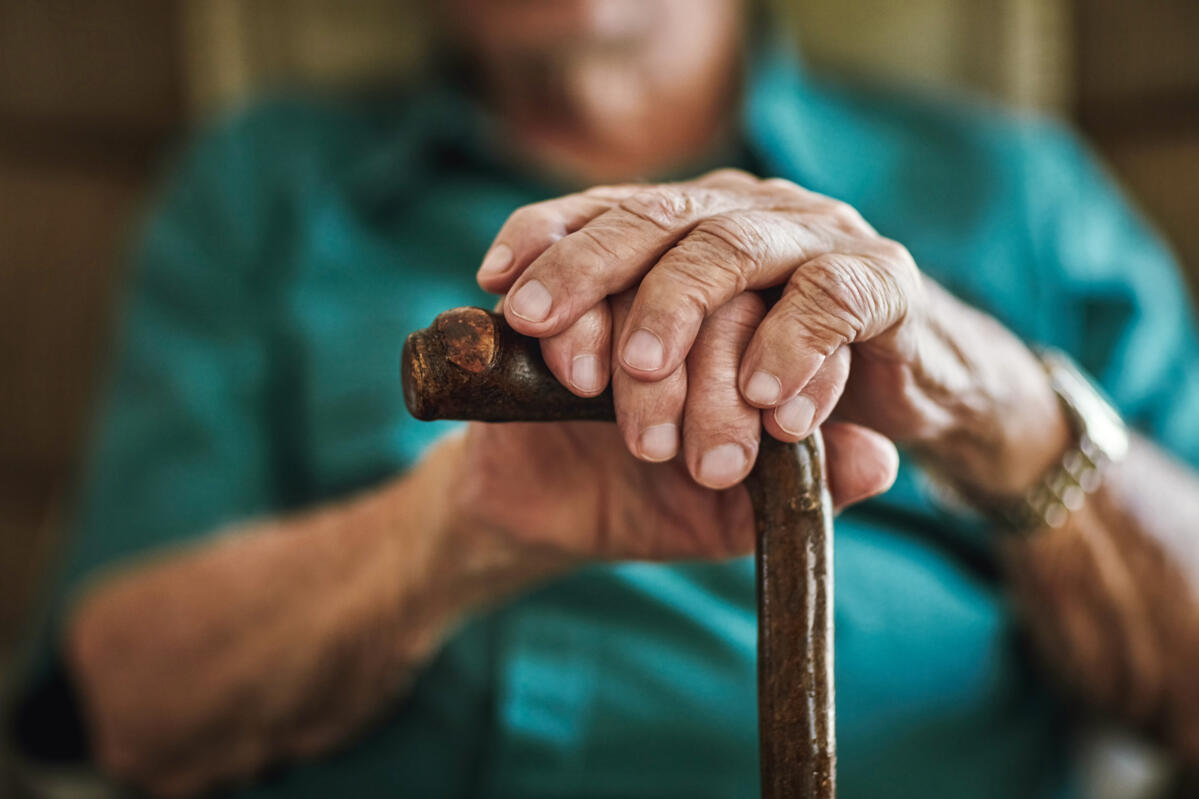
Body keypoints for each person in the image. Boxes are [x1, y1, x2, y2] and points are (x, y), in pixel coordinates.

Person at [9, 1, 1199, 797]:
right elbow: (126, 700)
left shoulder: (1015, 189)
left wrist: (993, 407)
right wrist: (445, 534)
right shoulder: (259, 185)